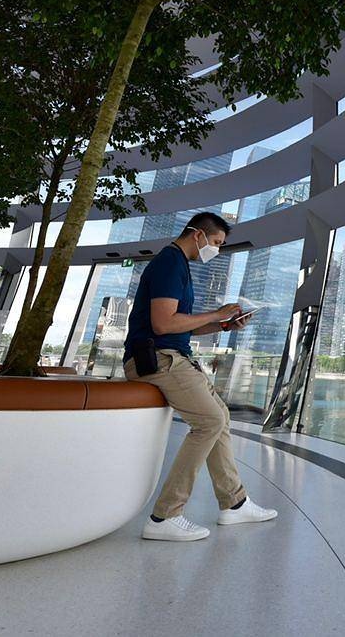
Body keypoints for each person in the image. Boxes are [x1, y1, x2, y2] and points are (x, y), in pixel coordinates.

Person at [123, 210, 277, 541]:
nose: (217, 250)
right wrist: (216, 313)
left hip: (174, 355)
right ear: (198, 235)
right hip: (157, 359)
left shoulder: (179, 265)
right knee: (208, 421)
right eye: (217, 243)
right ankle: (164, 516)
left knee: (220, 416)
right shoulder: (170, 262)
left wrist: (221, 324)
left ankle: (235, 504)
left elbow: (179, 325)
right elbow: (163, 324)